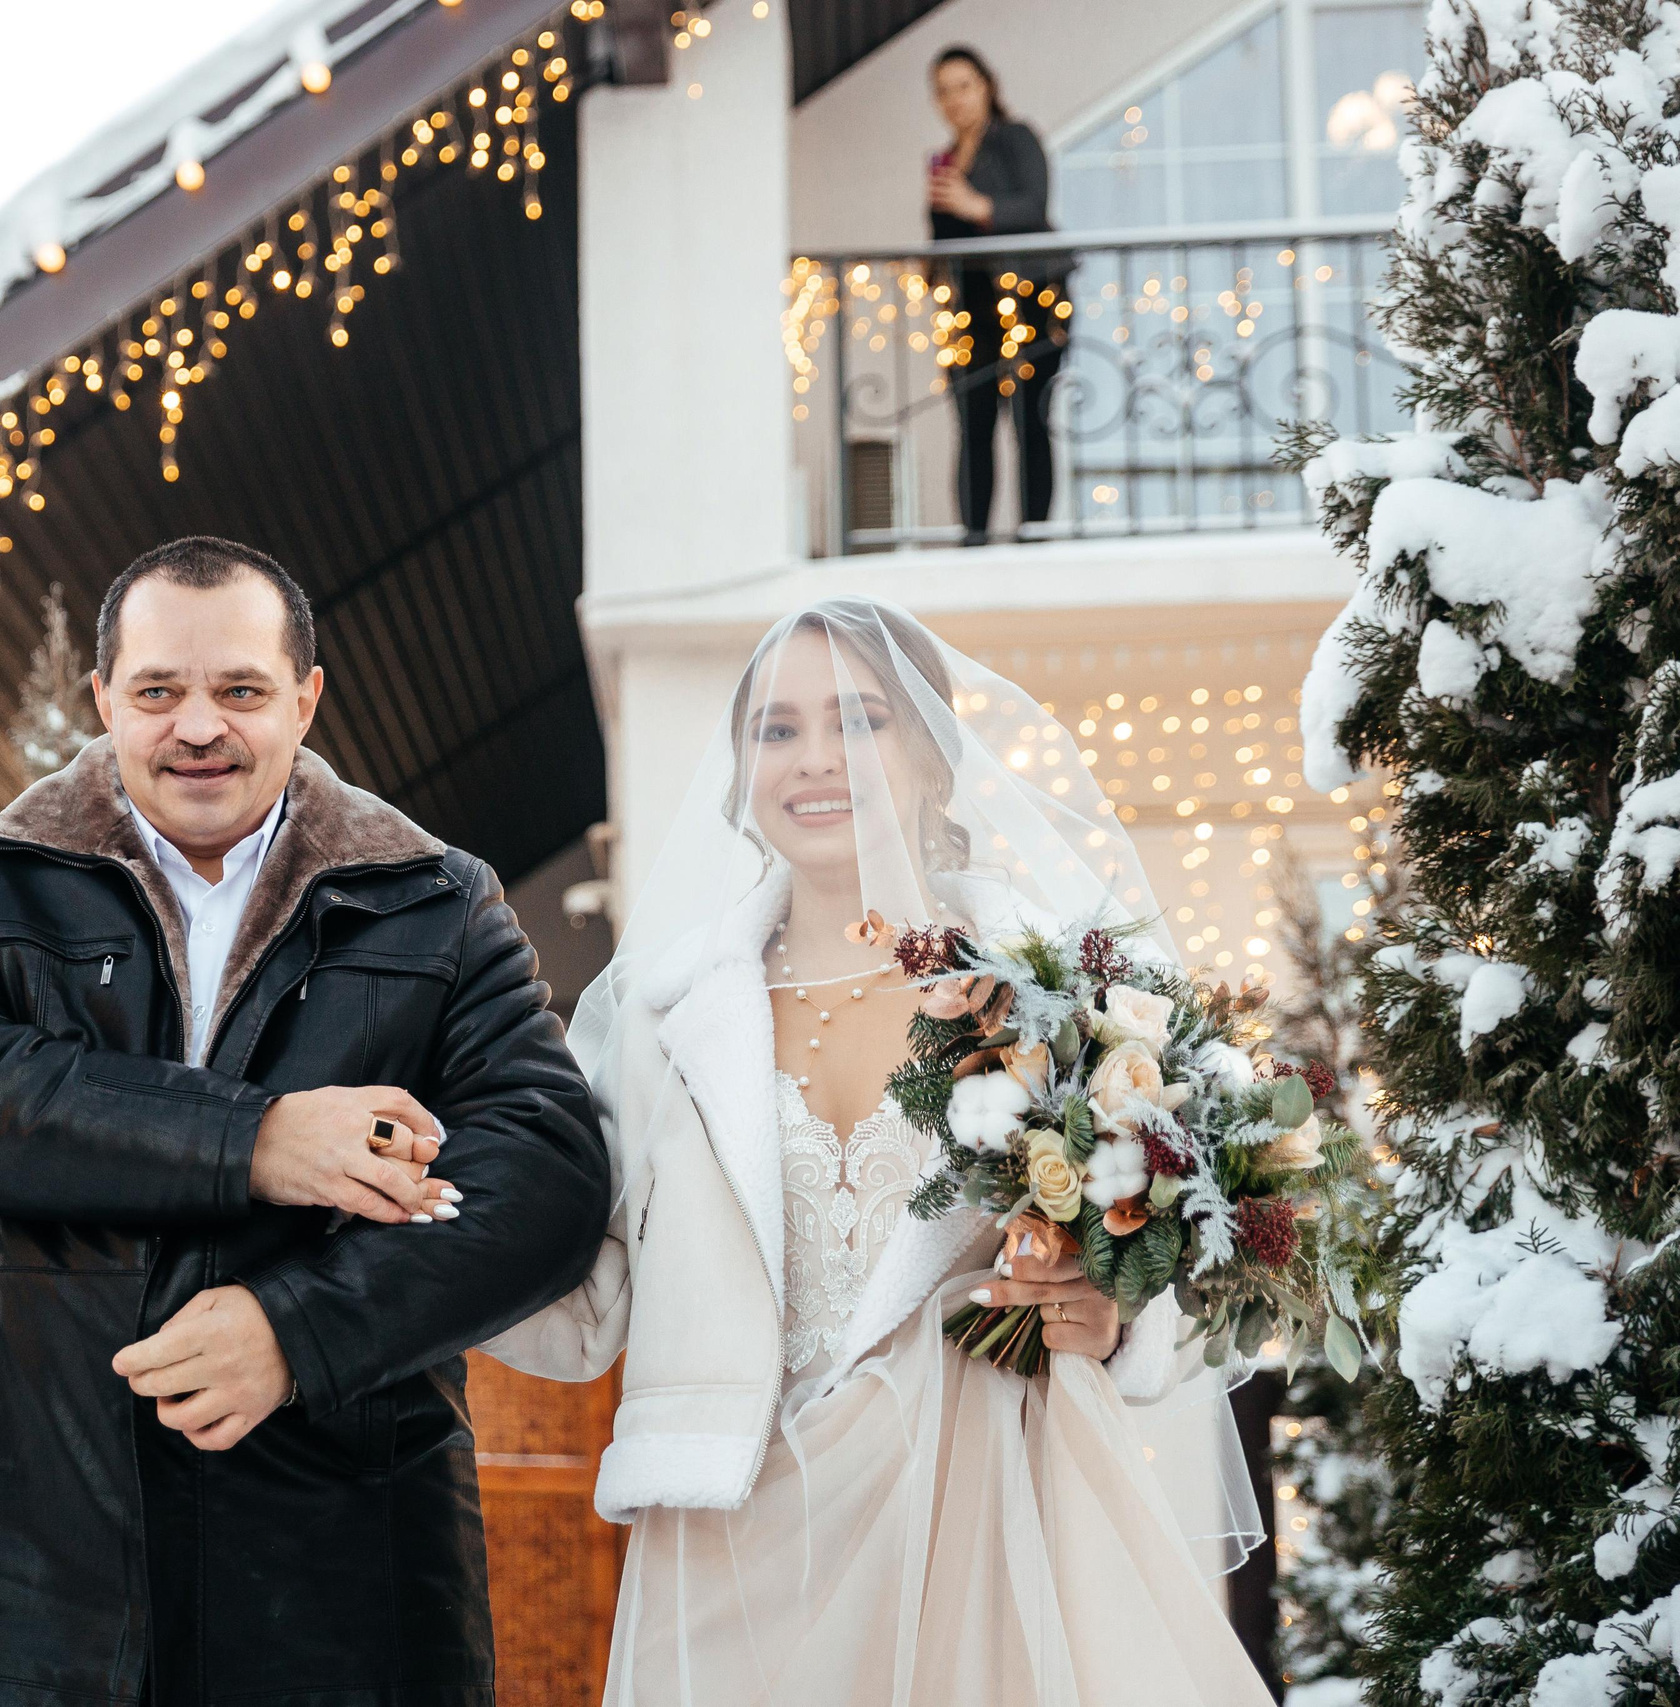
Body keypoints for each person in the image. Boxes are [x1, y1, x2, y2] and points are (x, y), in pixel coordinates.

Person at [0, 536, 610, 1707]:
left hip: (344, 1578)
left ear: (304, 701)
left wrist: (296, 1334)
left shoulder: (436, 902)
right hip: (34, 1571)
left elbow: (547, 1177)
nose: (197, 727)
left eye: (241, 691)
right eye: (159, 690)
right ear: (105, 699)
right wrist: (258, 1142)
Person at [485, 597, 1273, 1705]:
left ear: (929, 759)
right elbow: (586, 1295)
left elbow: (1193, 1249)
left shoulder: (1052, 999)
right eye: (777, 728)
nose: (814, 758)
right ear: (742, 769)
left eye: (858, 720)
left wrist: (1115, 1317)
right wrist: (419, 1212)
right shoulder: (666, 1024)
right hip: (734, 1553)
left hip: (976, 1534)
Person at [926, 45, 1066, 546]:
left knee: (1030, 421)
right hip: (969, 309)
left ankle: (1033, 536)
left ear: (986, 86)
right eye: (943, 91)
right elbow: (944, 238)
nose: (954, 99)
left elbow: (1034, 205)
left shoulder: (1015, 138)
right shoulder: (944, 160)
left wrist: (977, 204)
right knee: (973, 425)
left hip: (1030, 297)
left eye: (963, 86)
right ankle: (975, 538)